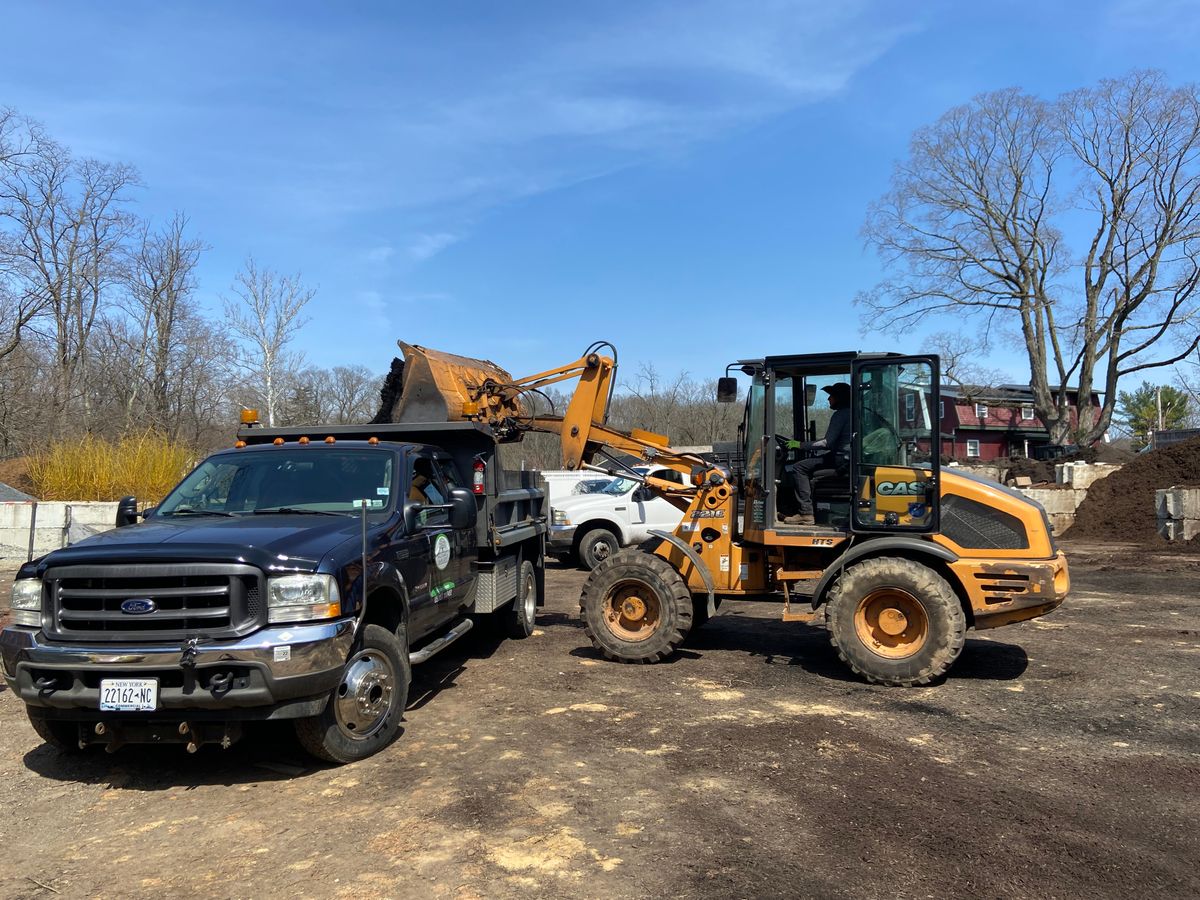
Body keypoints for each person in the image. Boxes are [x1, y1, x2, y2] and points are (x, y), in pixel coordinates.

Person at [784, 382, 851, 525]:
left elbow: (827, 443)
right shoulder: (853, 413)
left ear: (840, 397)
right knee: (813, 461)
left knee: (798, 467)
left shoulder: (841, 415)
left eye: (831, 396)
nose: (828, 399)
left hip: (840, 461)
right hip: (847, 459)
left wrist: (799, 445)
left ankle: (806, 513)